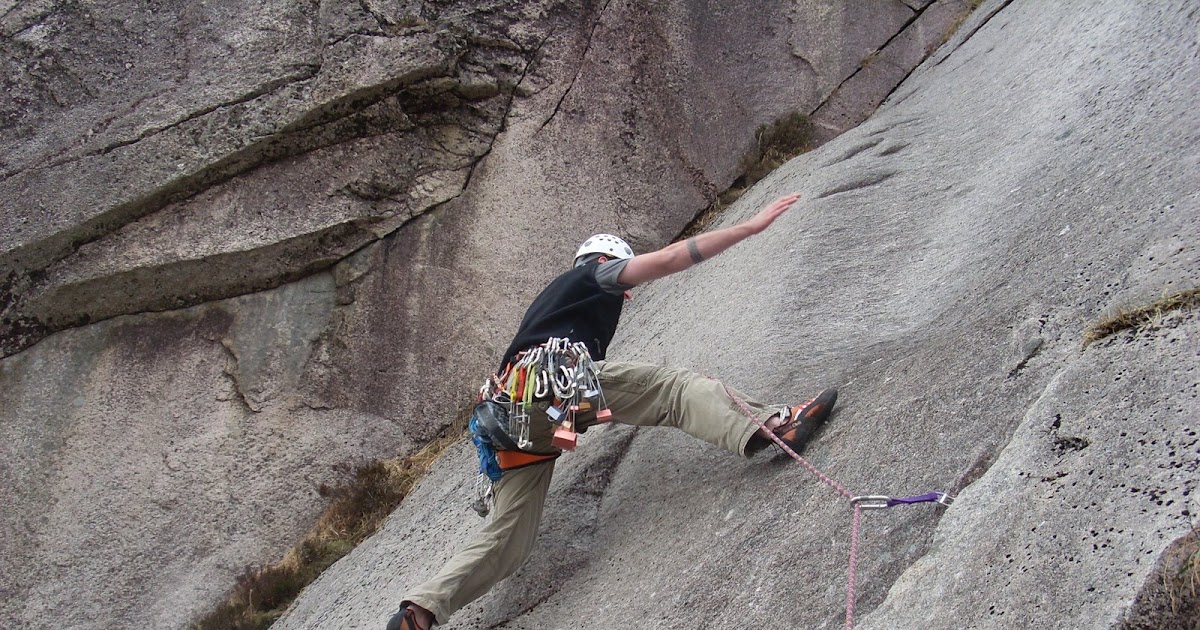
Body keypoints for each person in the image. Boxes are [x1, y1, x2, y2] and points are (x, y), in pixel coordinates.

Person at [387, 193, 836, 630]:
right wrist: (748, 227)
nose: (626, 294)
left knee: (509, 539)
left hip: (506, 419)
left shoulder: (550, 300)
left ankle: (420, 612)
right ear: (605, 262)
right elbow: (669, 259)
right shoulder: (595, 277)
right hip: (550, 386)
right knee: (671, 390)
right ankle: (777, 425)